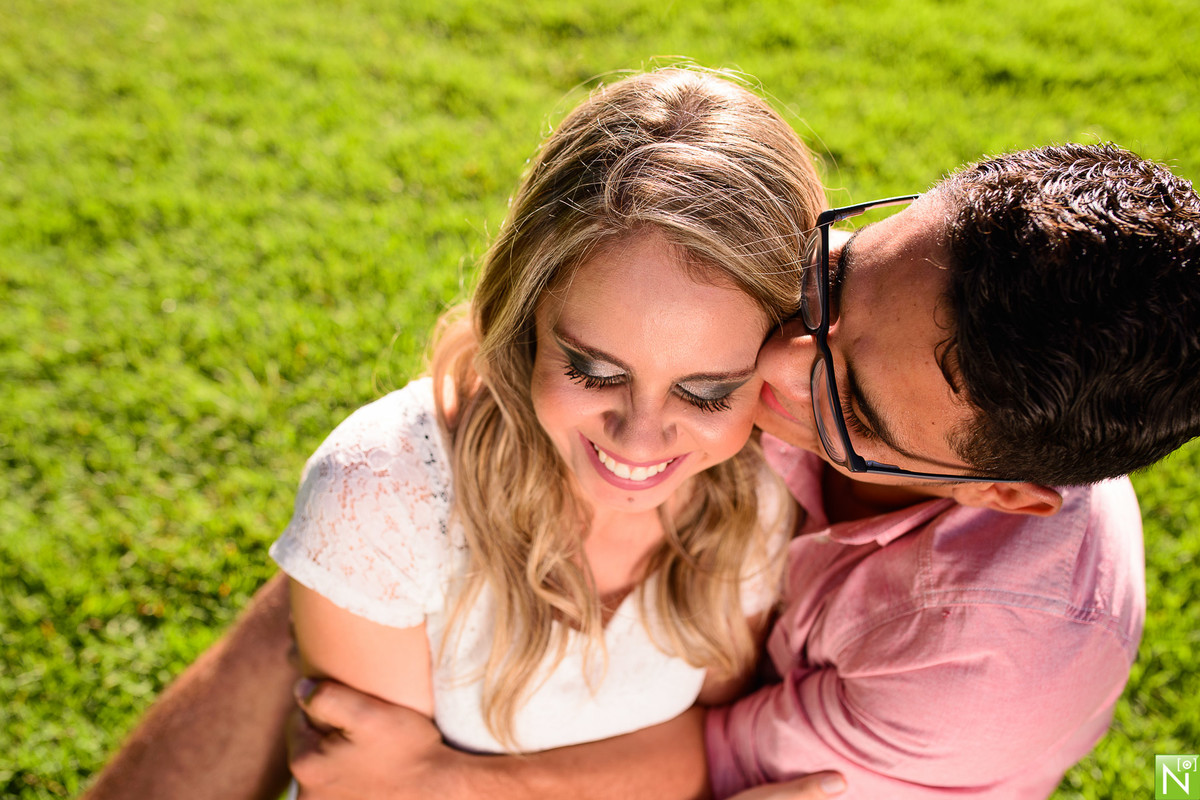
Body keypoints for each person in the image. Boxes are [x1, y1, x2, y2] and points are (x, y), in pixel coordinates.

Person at [82, 138, 1200, 796]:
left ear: (1005, 490)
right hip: (674, 612)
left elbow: (714, 770)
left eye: (847, 403)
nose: (776, 364)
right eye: (835, 282)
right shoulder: (931, 306)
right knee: (355, 557)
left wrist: (437, 783)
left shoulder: (990, 675)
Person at [82, 66, 829, 799]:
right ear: (524, 312)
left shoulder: (754, 487)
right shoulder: (382, 494)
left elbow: (708, 742)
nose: (639, 440)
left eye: (705, 393)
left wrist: (451, 781)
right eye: (595, 371)